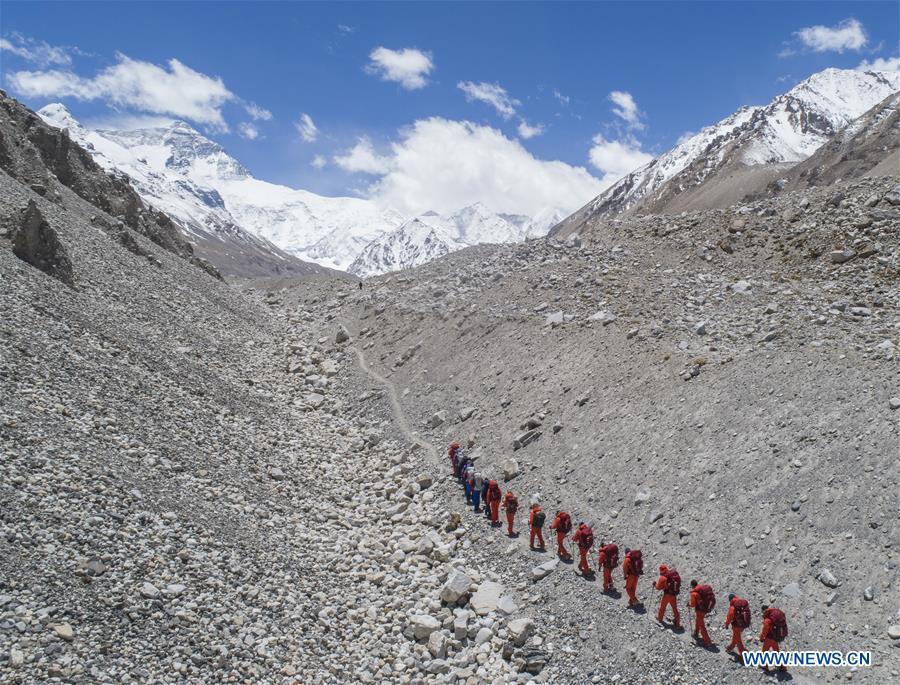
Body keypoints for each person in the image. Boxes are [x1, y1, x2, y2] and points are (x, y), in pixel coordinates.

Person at [759, 605, 788, 672]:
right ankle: (782, 666)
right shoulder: (776, 614)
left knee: (764, 651)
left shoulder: (768, 619)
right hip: (776, 637)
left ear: (764, 610)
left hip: (769, 637)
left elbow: (765, 629)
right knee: (776, 651)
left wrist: (762, 637)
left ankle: (764, 665)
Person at [688, 580, 714, 646]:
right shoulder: (701, 589)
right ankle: (696, 633)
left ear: (692, 586)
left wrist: (689, 604)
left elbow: (693, 604)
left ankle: (708, 642)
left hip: (700, 610)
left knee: (702, 625)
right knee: (698, 620)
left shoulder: (694, 593)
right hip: (705, 609)